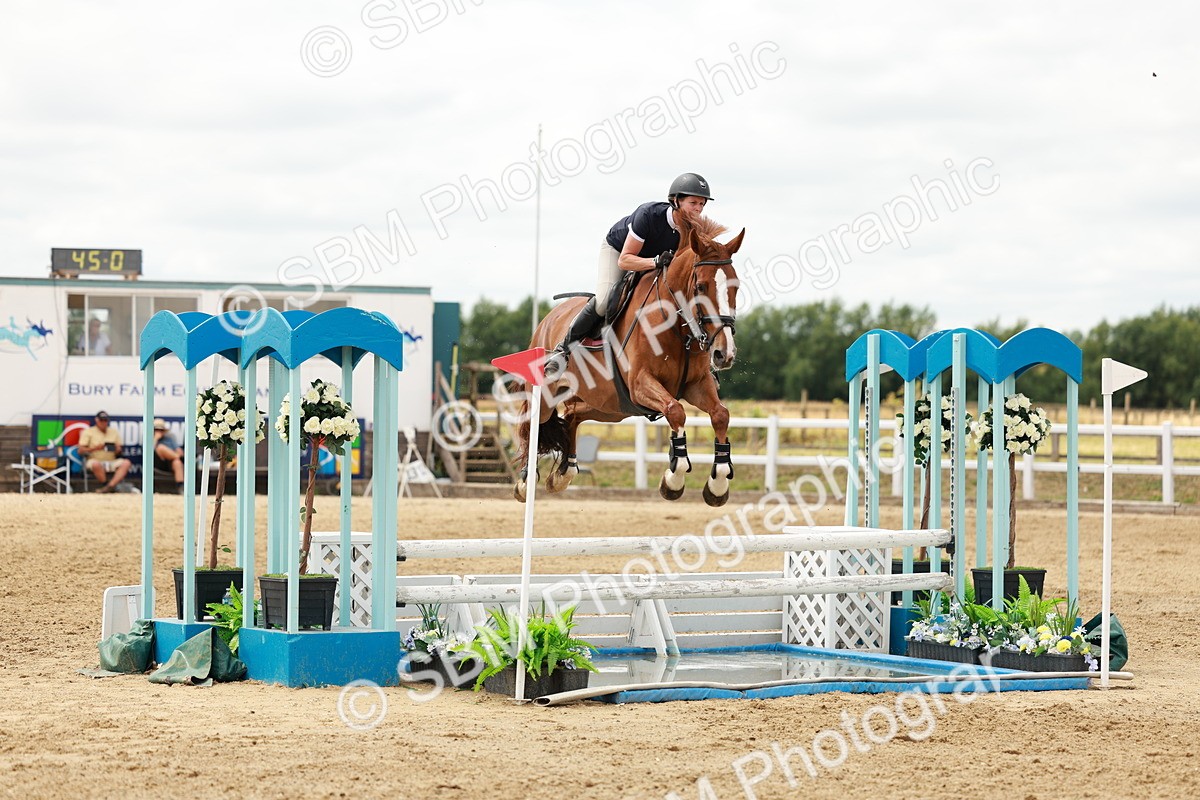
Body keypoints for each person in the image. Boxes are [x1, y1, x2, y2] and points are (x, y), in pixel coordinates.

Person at [545, 172, 715, 376]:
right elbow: (625, 259)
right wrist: (653, 262)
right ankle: (562, 350)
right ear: (676, 201)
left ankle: (704, 366)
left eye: (702, 204)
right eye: (693, 202)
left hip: (655, 262)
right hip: (620, 251)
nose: (698, 209)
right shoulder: (649, 216)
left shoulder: (694, 229)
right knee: (604, 300)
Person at [77, 410, 131, 492]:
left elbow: (119, 451)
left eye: (105, 420)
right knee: (96, 464)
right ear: (96, 420)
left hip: (111, 460)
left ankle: (110, 486)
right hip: (94, 460)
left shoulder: (114, 432)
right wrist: (95, 448)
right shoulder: (88, 432)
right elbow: (80, 451)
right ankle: (105, 485)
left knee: (126, 463)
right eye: (101, 420)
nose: (103, 422)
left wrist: (117, 449)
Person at [152, 418, 185, 492]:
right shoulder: (148, 438)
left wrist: (178, 452)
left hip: (170, 462)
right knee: (160, 448)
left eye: (161, 430)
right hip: (157, 462)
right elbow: (148, 452)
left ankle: (180, 486)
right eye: (157, 430)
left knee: (177, 462)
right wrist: (156, 439)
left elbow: (178, 449)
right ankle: (178, 457)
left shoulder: (169, 439)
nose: (159, 432)